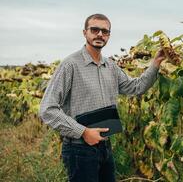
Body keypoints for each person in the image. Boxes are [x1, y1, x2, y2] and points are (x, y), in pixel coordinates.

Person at [39, 13, 166, 182]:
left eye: (104, 31)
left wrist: (155, 64)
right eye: (95, 29)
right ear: (85, 33)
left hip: (105, 146)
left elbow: (135, 87)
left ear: (108, 36)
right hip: (79, 150)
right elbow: (47, 109)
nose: (100, 34)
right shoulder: (70, 65)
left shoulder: (111, 66)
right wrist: (83, 132)